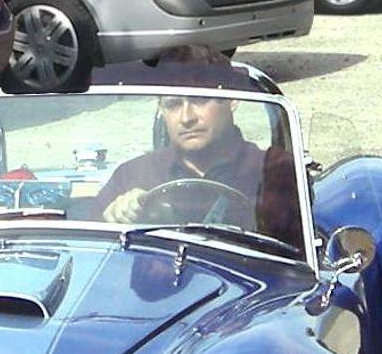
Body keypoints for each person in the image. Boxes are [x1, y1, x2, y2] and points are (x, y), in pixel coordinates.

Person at [93, 90, 301, 246]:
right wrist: (116, 217)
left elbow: (292, 259)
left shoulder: (275, 170)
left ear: (231, 100)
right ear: (161, 110)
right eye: (173, 105)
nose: (186, 118)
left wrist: (168, 219)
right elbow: (92, 256)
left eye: (200, 100)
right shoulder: (133, 174)